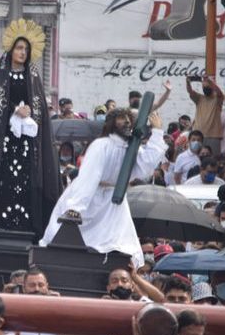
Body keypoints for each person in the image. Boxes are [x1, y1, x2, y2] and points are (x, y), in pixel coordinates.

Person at [0, 20, 60, 244]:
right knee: (4, 178)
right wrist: (14, 111)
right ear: (11, 50)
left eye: (25, 49)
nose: (22, 52)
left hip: (27, 142)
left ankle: (27, 219)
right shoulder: (0, 75)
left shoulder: (34, 76)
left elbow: (40, 110)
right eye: (19, 48)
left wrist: (30, 112)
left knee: (26, 179)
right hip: (4, 140)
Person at [41, 109, 167, 267]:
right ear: (112, 123)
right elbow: (89, 177)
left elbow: (146, 165)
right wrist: (75, 208)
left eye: (129, 119)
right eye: (122, 118)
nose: (127, 122)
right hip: (90, 199)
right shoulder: (101, 145)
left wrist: (157, 132)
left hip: (114, 201)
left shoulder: (131, 147)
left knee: (119, 246)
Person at [16, 269, 62, 335]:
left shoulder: (57, 312)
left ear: (47, 287)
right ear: (24, 289)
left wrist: (60, 307)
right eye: (32, 285)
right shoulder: (15, 311)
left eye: (41, 285)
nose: (36, 289)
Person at [187, 75, 224, 155]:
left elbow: (219, 91)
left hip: (213, 136)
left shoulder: (217, 98)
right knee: (196, 158)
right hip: (198, 136)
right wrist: (188, 82)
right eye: (203, 86)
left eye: (207, 86)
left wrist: (209, 81)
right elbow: (190, 91)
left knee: (213, 159)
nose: (205, 88)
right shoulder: (199, 98)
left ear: (212, 86)